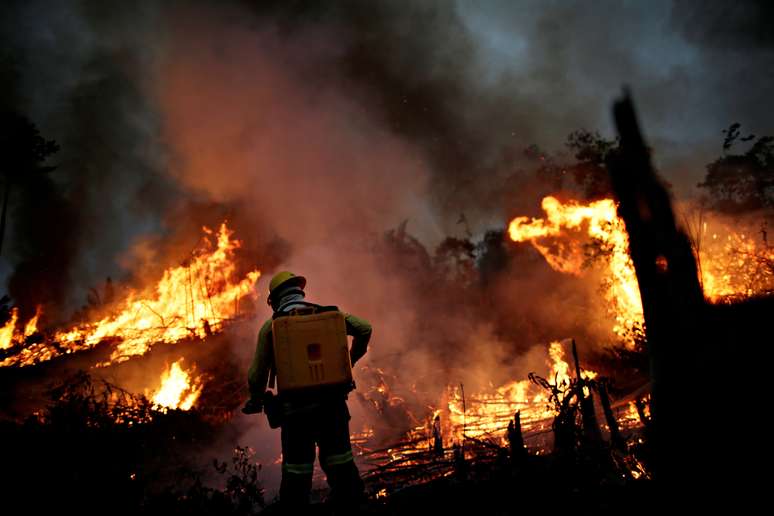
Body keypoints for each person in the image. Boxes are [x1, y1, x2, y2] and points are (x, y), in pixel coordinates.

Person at [243, 271, 372, 512]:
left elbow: (256, 375)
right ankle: (352, 506)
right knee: (340, 461)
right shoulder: (330, 315)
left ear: (274, 300)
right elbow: (365, 328)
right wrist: (350, 360)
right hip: (333, 409)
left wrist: (256, 399)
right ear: (300, 292)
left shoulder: (272, 327)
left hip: (296, 415)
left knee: (297, 470)